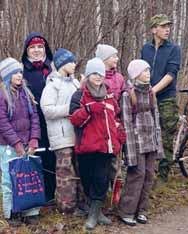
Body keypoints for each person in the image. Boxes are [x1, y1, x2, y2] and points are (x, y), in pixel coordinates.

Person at [70, 57, 125, 230]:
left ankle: (94, 214)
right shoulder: (79, 95)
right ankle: (95, 211)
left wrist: (120, 133)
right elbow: (74, 120)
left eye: (100, 73)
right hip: (86, 147)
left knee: (102, 179)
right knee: (87, 179)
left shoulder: (109, 95)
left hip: (105, 147)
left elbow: (115, 118)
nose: (98, 77)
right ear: (87, 75)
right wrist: (88, 110)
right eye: (94, 73)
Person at [118, 59, 164, 226]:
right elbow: (127, 124)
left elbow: (156, 119)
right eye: (144, 71)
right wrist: (129, 154)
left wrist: (158, 145)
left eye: (148, 70)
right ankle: (126, 211)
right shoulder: (127, 95)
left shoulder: (151, 93)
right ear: (136, 74)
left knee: (149, 175)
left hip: (150, 141)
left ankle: (142, 210)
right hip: (136, 143)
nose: (148, 73)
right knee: (137, 175)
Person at [0, 58, 41, 225]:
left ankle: (30, 210)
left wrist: (33, 140)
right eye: (15, 72)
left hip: (27, 144)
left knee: (29, 176)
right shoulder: (2, 95)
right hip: (8, 146)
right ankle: (11, 212)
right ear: (7, 75)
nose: (19, 75)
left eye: (20, 72)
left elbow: (35, 118)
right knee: (10, 179)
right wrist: (16, 144)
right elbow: (2, 122)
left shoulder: (26, 93)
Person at [141, 14, 181, 182]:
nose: (167, 29)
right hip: (148, 96)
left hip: (166, 99)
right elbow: (141, 70)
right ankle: (149, 172)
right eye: (163, 26)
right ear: (154, 29)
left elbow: (171, 74)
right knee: (148, 133)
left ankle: (163, 174)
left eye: (168, 26)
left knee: (165, 136)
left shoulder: (174, 49)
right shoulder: (146, 49)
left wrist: (154, 90)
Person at [40, 48, 81, 213]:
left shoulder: (75, 83)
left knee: (79, 169)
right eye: (71, 61)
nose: (74, 64)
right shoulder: (52, 85)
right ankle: (66, 207)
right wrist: (69, 109)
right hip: (60, 137)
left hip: (76, 135)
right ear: (62, 64)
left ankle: (80, 203)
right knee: (65, 173)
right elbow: (47, 110)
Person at [21, 32, 56, 202]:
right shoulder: (22, 71)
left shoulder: (52, 68)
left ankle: (52, 195)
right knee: (37, 158)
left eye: (39, 47)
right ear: (27, 51)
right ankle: (36, 195)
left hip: (54, 122)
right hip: (33, 124)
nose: (36, 50)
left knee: (53, 157)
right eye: (32, 47)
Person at [95, 44, 126, 201]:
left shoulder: (119, 78)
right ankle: (101, 192)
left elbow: (123, 99)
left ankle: (116, 189)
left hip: (115, 123)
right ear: (105, 59)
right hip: (99, 125)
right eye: (113, 56)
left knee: (115, 159)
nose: (117, 59)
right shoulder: (96, 77)